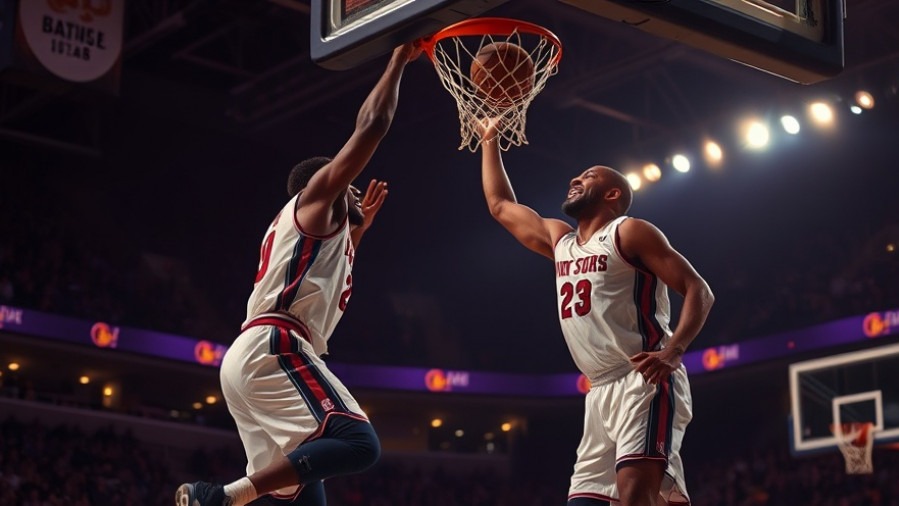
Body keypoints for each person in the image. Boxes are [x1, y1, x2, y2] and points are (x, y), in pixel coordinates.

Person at [175, 42, 420, 506]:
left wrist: (358, 231)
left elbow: (322, 277)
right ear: (331, 189)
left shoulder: (323, 236)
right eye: (345, 191)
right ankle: (220, 497)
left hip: (252, 356)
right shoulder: (315, 203)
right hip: (276, 347)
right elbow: (373, 125)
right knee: (358, 444)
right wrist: (397, 61)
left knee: (304, 494)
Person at [477, 119, 714, 506]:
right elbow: (500, 206)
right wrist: (490, 140)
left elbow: (698, 290)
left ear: (612, 193)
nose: (575, 178)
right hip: (598, 391)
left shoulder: (629, 232)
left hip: (643, 379)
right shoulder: (560, 240)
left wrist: (674, 350)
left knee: (636, 496)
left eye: (588, 176)